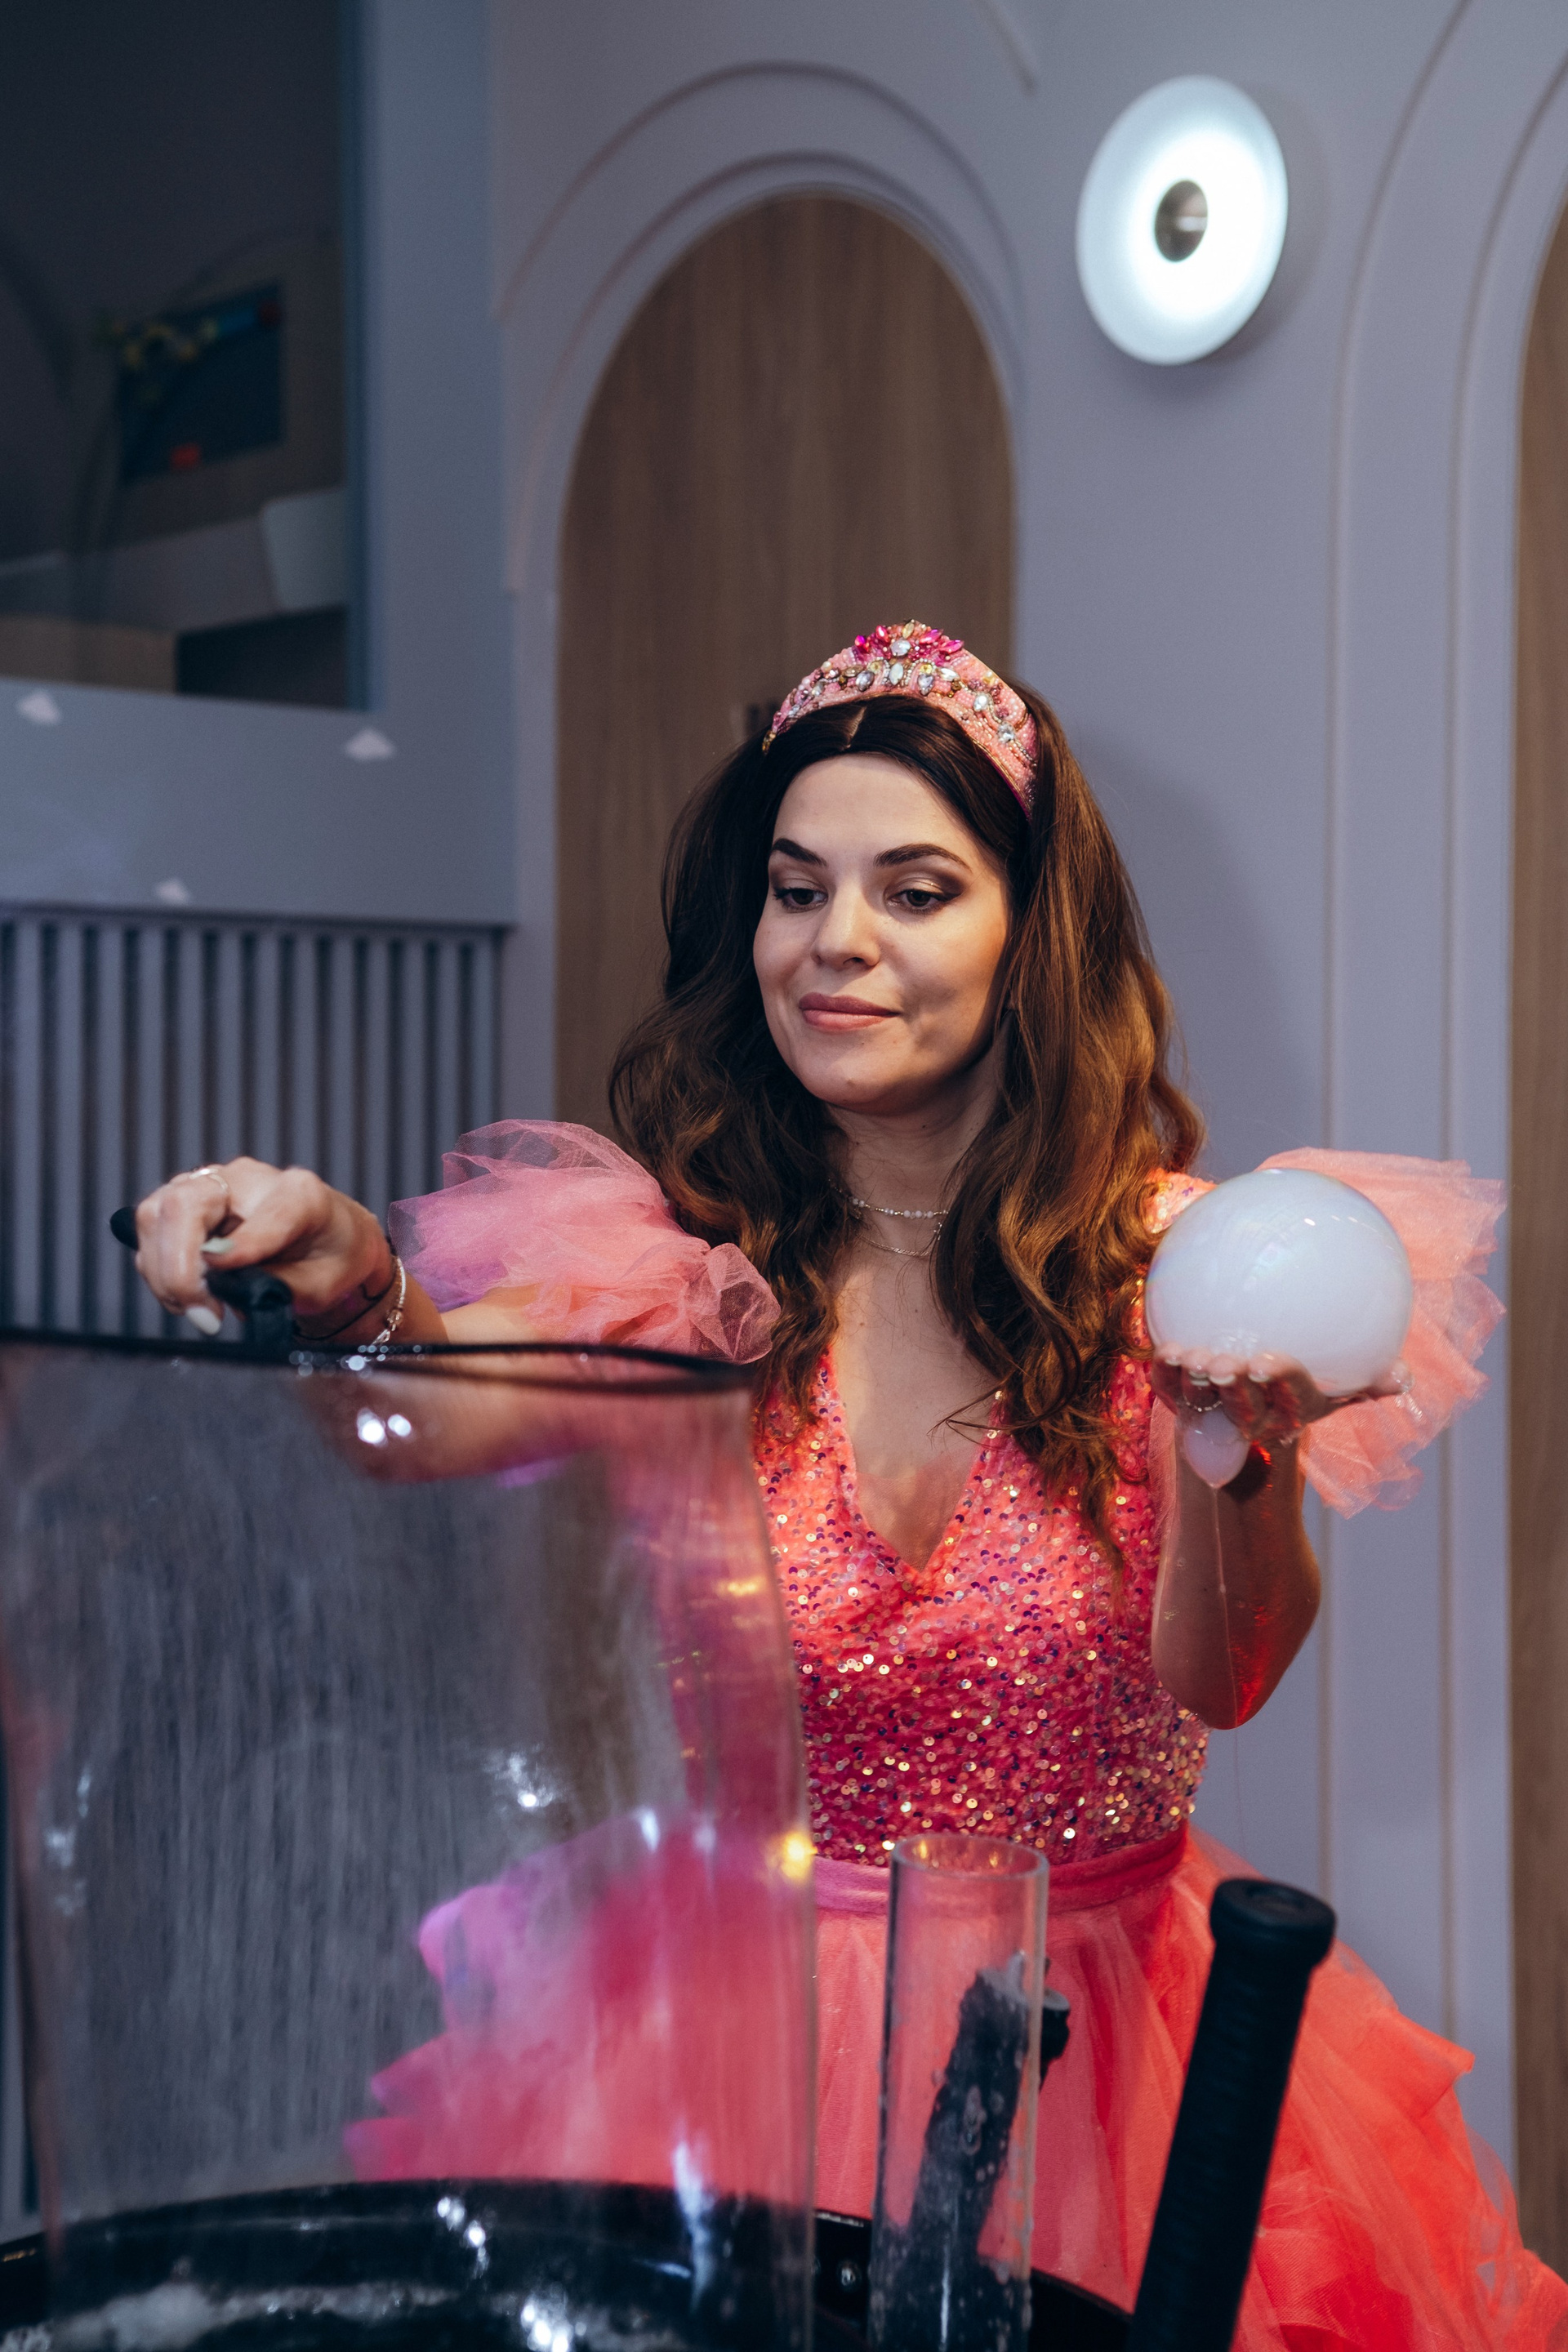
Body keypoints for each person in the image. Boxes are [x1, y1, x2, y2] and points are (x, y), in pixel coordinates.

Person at [133, 622, 1561, 2347]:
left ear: (1031, 934)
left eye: (916, 890)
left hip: (1097, 2052)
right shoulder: (690, 1270)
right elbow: (423, 1414)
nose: (838, 943)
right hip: (719, 2049)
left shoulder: (1180, 1271)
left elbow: (1227, 1679)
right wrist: (350, 1277)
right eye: (797, 889)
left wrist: (1233, 1451)